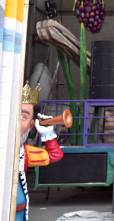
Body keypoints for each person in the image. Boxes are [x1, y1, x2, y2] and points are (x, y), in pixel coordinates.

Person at [17, 82, 63, 221]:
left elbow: (55, 155)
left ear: (31, 125)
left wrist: (47, 135)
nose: (16, 121)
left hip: (18, 212)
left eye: (23, 116)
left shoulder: (24, 153)